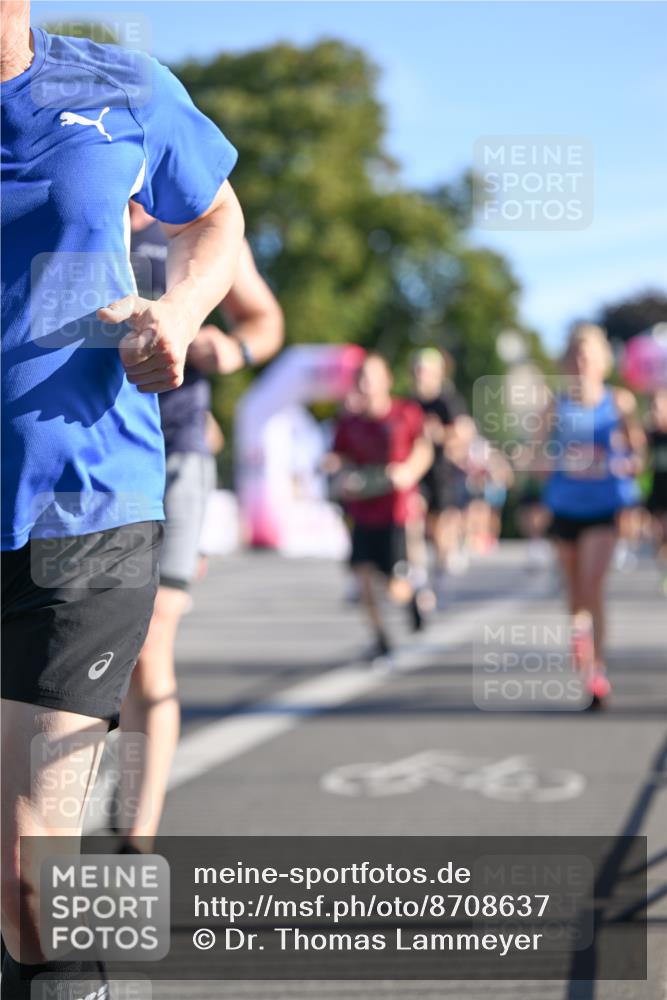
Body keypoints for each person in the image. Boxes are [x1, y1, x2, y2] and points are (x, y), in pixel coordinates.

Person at [1, 6, 244, 994]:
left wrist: (177, 314)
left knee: (29, 871)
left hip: (86, 509)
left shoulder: (119, 87)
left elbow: (214, 217)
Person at [116, 207, 284, 849]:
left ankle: (137, 835)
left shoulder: (198, 213)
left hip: (175, 450)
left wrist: (236, 349)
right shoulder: (79, 195)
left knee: (151, 638)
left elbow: (265, 320)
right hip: (90, 454)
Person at [540, 324, 645, 708]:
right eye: (576, 356)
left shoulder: (619, 402)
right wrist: (552, 462)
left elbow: (637, 454)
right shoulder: (555, 405)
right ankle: (579, 636)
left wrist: (622, 461)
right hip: (565, 506)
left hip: (603, 507)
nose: (582, 363)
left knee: (592, 585)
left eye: (588, 356)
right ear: (567, 362)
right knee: (575, 593)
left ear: (602, 360)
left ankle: (596, 671)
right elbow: (536, 455)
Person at [329, 353, 433, 659]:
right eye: (362, 377)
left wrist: (408, 472)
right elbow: (337, 458)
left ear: (387, 380)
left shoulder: (405, 413)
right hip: (362, 510)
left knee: (393, 586)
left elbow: (423, 449)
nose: (367, 384)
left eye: (373, 377)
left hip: (395, 511)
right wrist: (340, 474)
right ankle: (381, 640)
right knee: (362, 578)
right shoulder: (349, 423)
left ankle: (411, 596)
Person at [412, 348, 469, 602]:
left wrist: (439, 434)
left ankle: (441, 571)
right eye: (418, 371)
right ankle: (418, 574)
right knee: (414, 518)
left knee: (439, 528)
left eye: (425, 371)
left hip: (442, 472)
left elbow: (463, 433)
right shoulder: (411, 403)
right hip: (417, 472)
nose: (421, 376)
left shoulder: (448, 401)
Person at [645, 388, 667, 594]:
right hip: (657, 487)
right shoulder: (651, 435)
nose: (656, 411)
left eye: (659, 407)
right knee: (658, 533)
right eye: (653, 407)